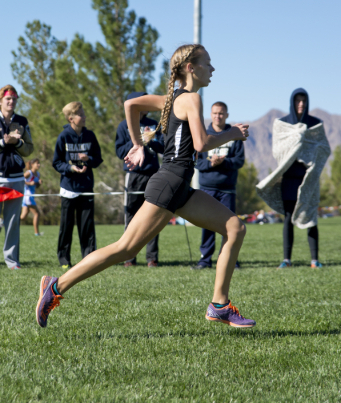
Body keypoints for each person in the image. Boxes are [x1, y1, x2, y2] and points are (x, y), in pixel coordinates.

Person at [36, 44, 256, 329]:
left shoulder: (173, 98)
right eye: (208, 63)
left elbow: (131, 105)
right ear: (191, 67)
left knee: (235, 227)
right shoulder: (190, 99)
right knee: (126, 249)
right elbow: (201, 144)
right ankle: (56, 286)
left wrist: (139, 144)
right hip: (169, 183)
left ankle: (219, 305)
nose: (212, 69)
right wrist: (232, 134)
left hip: (180, 188)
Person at [256, 88, 331, 269]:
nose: (301, 104)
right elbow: (277, 151)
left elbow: (324, 149)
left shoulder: (315, 124)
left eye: (304, 101)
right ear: (292, 102)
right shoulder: (282, 124)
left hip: (309, 179)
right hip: (289, 179)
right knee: (289, 217)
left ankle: (314, 260)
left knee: (311, 217)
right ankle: (286, 260)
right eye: (297, 101)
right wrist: (296, 141)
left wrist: (307, 154)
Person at [115, 92, 164, 267]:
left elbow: (164, 147)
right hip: (133, 175)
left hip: (153, 174)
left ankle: (152, 257)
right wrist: (137, 141)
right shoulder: (124, 125)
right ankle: (129, 257)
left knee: (154, 215)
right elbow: (120, 151)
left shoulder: (153, 124)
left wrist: (151, 141)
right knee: (131, 216)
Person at [194, 101, 245, 270]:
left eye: (221, 113)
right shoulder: (203, 135)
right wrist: (211, 164)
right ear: (211, 114)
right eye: (215, 113)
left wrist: (222, 162)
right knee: (207, 225)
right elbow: (197, 162)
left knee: (229, 227)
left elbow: (239, 161)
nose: (218, 116)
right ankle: (204, 260)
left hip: (227, 189)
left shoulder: (234, 135)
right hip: (207, 188)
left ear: (227, 115)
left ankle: (231, 259)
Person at [53, 102, 103, 270]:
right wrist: (70, 168)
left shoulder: (90, 135)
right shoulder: (63, 136)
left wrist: (88, 160)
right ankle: (64, 260)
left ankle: (89, 259)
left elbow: (98, 159)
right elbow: (56, 162)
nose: (85, 117)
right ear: (71, 119)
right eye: (81, 114)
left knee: (87, 227)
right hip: (69, 188)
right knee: (66, 227)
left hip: (87, 188)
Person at [0, 85, 34, 269]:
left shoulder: (21, 121)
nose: (11, 102)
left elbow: (29, 149)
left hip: (16, 179)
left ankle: (12, 262)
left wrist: (17, 142)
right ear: (1, 101)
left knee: (13, 222)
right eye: (8, 99)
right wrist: (3, 142)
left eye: (14, 99)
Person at [20, 158, 42, 236]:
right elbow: (20, 180)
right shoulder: (29, 173)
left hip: (30, 197)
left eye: (39, 163)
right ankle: (37, 233)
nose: (39, 165)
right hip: (28, 197)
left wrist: (39, 183)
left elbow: (37, 186)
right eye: (37, 163)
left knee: (23, 217)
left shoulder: (38, 174)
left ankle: (4, 221)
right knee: (37, 214)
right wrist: (29, 183)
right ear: (32, 164)